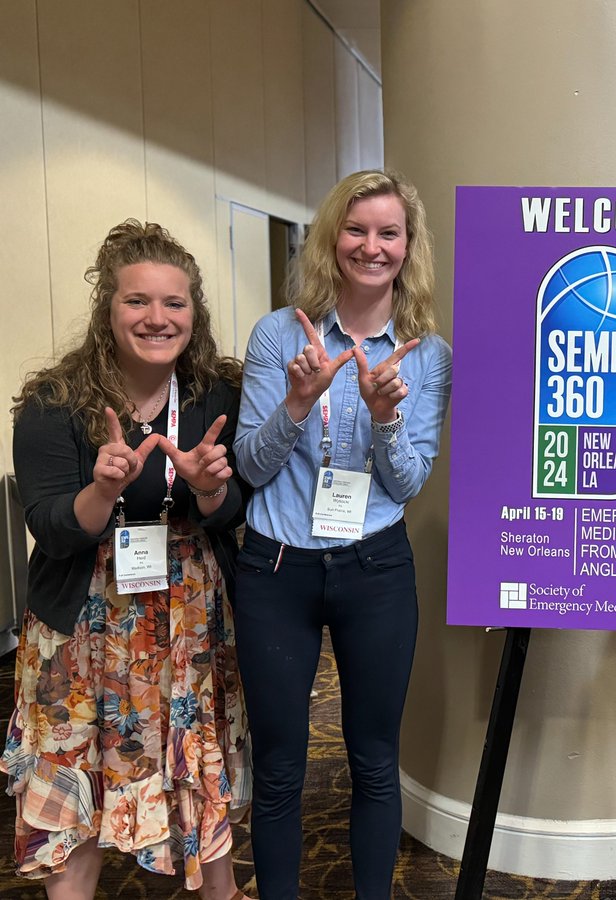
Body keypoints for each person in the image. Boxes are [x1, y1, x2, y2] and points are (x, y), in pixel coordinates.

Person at [2, 221, 251, 899]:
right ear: (107, 311)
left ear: (193, 313)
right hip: (82, 624)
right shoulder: (55, 403)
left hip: (187, 621)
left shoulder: (215, 397)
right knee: (74, 778)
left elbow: (236, 514)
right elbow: (52, 529)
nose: (157, 317)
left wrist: (210, 489)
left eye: (174, 302)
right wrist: (102, 489)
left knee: (199, 775)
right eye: (137, 301)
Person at [234, 169, 451, 900]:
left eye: (388, 232)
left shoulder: (427, 355)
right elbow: (251, 469)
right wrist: (298, 402)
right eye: (356, 230)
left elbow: (408, 484)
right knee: (281, 768)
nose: (371, 246)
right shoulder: (278, 334)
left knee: (374, 761)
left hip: (375, 569)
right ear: (332, 238)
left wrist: (386, 417)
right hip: (277, 568)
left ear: (407, 246)